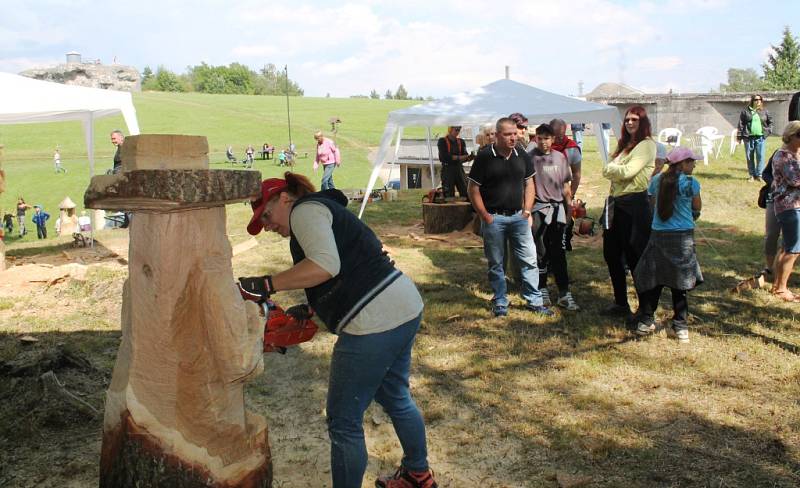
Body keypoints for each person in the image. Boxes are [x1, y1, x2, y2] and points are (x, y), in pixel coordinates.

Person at [237, 172, 437, 488]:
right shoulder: (318, 212)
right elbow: (344, 267)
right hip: (403, 304)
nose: (267, 225)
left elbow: (324, 266)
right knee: (395, 395)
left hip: (375, 320)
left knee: (343, 421)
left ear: (285, 198)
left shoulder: (305, 211)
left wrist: (265, 285)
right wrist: (313, 313)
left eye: (267, 215)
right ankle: (417, 473)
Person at [468, 117, 553, 317]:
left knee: (529, 260)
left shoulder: (522, 155)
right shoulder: (484, 157)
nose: (513, 138)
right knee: (497, 263)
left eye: (515, 133)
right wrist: (485, 216)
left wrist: (526, 211)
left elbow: (530, 183)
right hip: (494, 219)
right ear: (497, 135)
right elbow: (473, 189)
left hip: (518, 218)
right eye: (507, 134)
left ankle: (534, 301)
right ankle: (500, 302)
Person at [632, 147, 704, 342]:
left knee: (654, 279)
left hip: (659, 236)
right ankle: (680, 326)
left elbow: (652, 203)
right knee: (679, 282)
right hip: (682, 237)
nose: (694, 164)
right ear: (681, 164)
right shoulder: (691, 183)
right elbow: (697, 207)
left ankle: (646, 321)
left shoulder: (657, 180)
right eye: (691, 161)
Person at [600, 105, 656, 319]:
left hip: (634, 204)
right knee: (612, 254)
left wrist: (611, 169)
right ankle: (620, 303)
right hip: (615, 204)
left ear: (643, 122)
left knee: (635, 257)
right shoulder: (625, 145)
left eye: (634, 119)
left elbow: (627, 171)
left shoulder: (646, 145)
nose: (630, 123)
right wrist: (614, 170)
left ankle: (645, 308)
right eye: (627, 120)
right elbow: (618, 171)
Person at [529, 124, 579, 311]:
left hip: (557, 210)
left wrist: (568, 210)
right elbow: (526, 186)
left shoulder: (560, 158)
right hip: (538, 210)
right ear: (535, 139)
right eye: (540, 138)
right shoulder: (530, 158)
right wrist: (527, 212)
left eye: (547, 138)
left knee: (558, 251)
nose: (543, 142)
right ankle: (541, 288)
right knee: (540, 252)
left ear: (553, 139)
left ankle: (564, 293)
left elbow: (566, 186)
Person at [769, 121, 800, 301]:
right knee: (793, 250)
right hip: (790, 207)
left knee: (787, 247)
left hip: (792, 206)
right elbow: (795, 180)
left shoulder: (793, 155)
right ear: (792, 136)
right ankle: (781, 289)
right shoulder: (784, 157)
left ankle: (778, 286)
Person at [550, 119, 583, 251]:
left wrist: (572, 193)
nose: (558, 139)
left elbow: (577, 174)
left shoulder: (571, 148)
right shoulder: (538, 144)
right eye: (555, 136)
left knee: (565, 218)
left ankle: (564, 239)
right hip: (542, 191)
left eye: (561, 135)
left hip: (562, 189)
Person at [738, 94, 773, 181]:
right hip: (748, 137)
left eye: (760, 99)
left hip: (760, 137)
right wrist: (739, 136)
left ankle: (759, 175)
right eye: (756, 99)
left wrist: (768, 132)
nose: (758, 101)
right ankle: (751, 175)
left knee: (760, 156)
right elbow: (741, 124)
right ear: (752, 101)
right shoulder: (745, 112)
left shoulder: (765, 111)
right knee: (750, 156)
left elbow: (771, 122)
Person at [436, 126, 472, 198]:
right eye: (456, 129)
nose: (458, 132)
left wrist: (469, 158)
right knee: (448, 193)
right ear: (450, 129)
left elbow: (465, 155)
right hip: (447, 169)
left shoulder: (461, 141)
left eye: (459, 130)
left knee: (465, 191)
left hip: (459, 168)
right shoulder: (442, 141)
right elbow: (444, 157)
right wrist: (460, 157)